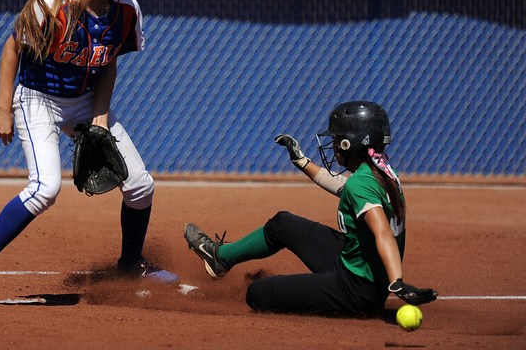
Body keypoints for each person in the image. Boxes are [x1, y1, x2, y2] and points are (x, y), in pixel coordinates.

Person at [0, 0, 178, 307]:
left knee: (140, 185)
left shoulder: (125, 9)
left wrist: (101, 118)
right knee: (45, 189)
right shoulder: (51, 2)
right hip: (38, 99)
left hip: (85, 101)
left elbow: (108, 65)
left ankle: (131, 263)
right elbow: (12, 49)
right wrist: (3, 109)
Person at [184, 101, 437, 315]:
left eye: (338, 139)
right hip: (360, 267)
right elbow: (344, 187)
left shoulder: (362, 184)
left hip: (356, 290)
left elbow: (382, 232)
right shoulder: (382, 171)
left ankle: (282, 292)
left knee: (257, 293)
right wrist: (302, 161)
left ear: (351, 143)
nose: (334, 146)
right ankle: (221, 258)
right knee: (282, 223)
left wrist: (397, 281)